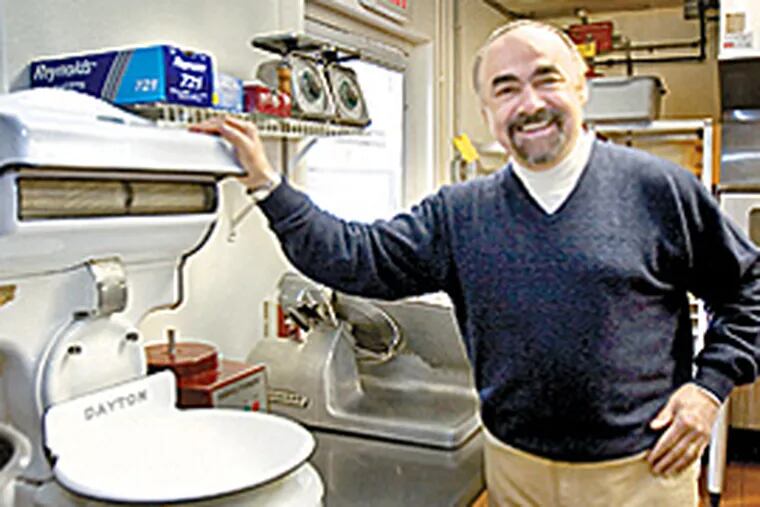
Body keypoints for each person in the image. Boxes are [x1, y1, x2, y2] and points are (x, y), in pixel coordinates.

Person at [192, 20, 760, 507]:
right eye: (505, 88)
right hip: (514, 470)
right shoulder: (460, 214)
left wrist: (709, 389)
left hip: (641, 472)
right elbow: (355, 257)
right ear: (488, 112)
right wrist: (267, 184)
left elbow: (749, 287)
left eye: (546, 79)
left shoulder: (659, 190)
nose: (529, 103)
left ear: (582, 87)